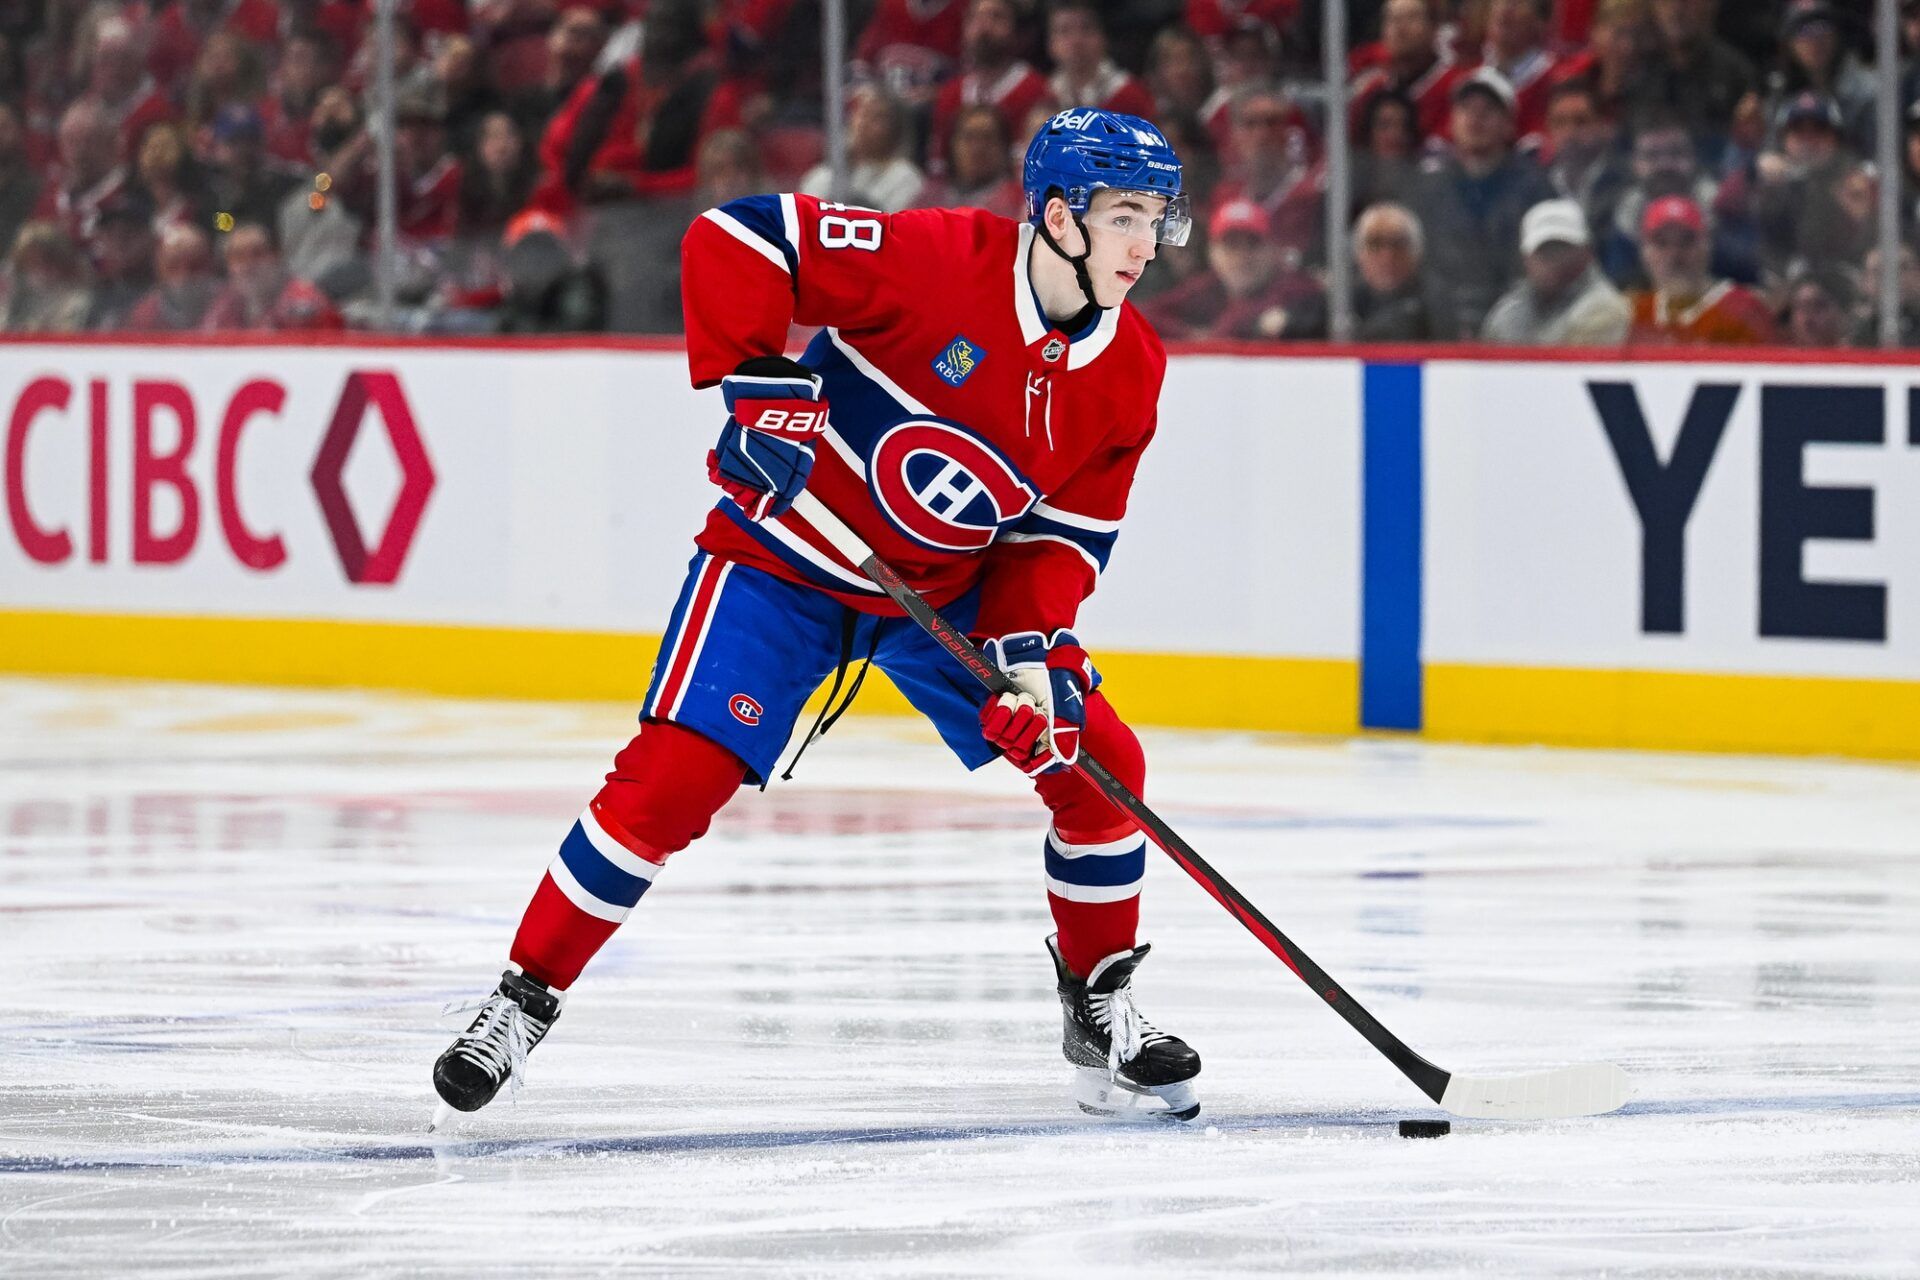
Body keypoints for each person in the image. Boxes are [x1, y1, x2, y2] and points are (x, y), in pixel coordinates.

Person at [432, 107, 1205, 1125]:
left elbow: (1057, 543)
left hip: (940, 595)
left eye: (1158, 218)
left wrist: (1031, 662)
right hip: (785, 560)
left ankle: (1098, 1002)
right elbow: (738, 238)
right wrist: (757, 378)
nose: (1146, 244)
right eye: (1123, 216)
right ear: (1057, 212)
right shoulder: (936, 257)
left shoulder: (1132, 371)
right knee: (672, 781)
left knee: (1101, 766)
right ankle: (520, 1000)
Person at [1412, 67, 1554, 336]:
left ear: (1508, 125)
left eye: (1488, 110)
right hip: (1439, 322)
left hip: (1519, 321)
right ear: (1452, 121)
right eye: (1466, 109)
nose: (1475, 119)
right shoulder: (1429, 188)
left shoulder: (1535, 188)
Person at [1143, 198, 1324, 340]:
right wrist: (1191, 335)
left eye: (1252, 245)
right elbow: (1144, 316)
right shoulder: (1208, 286)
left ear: (1272, 250)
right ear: (1213, 253)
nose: (1241, 257)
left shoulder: (1295, 289)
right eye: (1231, 246)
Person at [1626, 194, 1773, 344]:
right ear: (1644, 253)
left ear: (1707, 247)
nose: (1674, 255)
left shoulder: (1743, 310)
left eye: (1686, 241)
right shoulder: (1637, 313)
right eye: (1661, 244)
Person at [1481, 198, 1630, 344]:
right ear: (1526, 258)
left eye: (1562, 248)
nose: (1554, 259)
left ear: (1586, 253)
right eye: (1544, 250)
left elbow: (1575, 367)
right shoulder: (1507, 313)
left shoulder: (1605, 308)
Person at [800, 86, 926, 212]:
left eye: (877, 117)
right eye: (860, 113)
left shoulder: (905, 177)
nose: (864, 122)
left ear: (895, 129)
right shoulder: (828, 172)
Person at [1350, 201, 1456, 340]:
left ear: (1416, 253)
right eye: (1375, 244)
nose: (1387, 257)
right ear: (1359, 254)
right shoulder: (1342, 302)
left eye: (1398, 244)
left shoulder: (1436, 304)